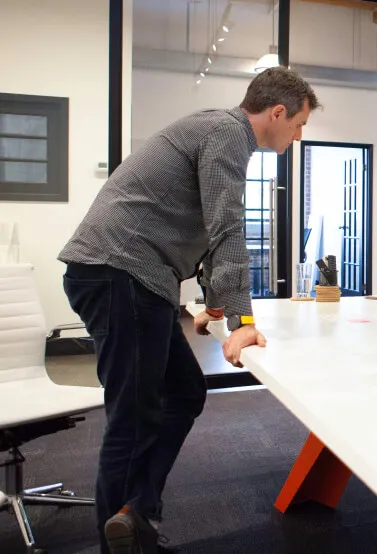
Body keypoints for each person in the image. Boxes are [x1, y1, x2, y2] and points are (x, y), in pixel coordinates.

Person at [58, 67, 319, 554]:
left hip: (132, 277)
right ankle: (120, 537)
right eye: (299, 124)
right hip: (121, 274)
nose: (299, 135)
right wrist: (241, 321)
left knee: (183, 393)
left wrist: (212, 301)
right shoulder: (227, 132)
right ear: (277, 112)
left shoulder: (218, 130)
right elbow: (226, 226)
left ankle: (136, 515)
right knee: (132, 418)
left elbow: (193, 224)